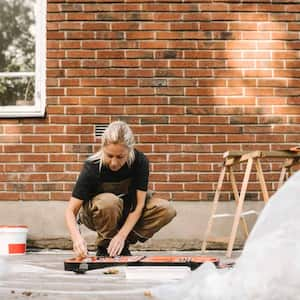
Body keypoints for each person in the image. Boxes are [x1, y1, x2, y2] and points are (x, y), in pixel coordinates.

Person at [65, 120, 176, 257]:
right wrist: (77, 238)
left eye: (120, 157)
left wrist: (122, 236)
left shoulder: (140, 162)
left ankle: (120, 245)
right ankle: (105, 245)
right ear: (102, 148)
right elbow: (71, 210)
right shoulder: (92, 166)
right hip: (96, 214)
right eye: (109, 156)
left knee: (166, 209)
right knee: (109, 201)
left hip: (128, 211)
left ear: (129, 151)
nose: (114, 163)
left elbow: (138, 205)